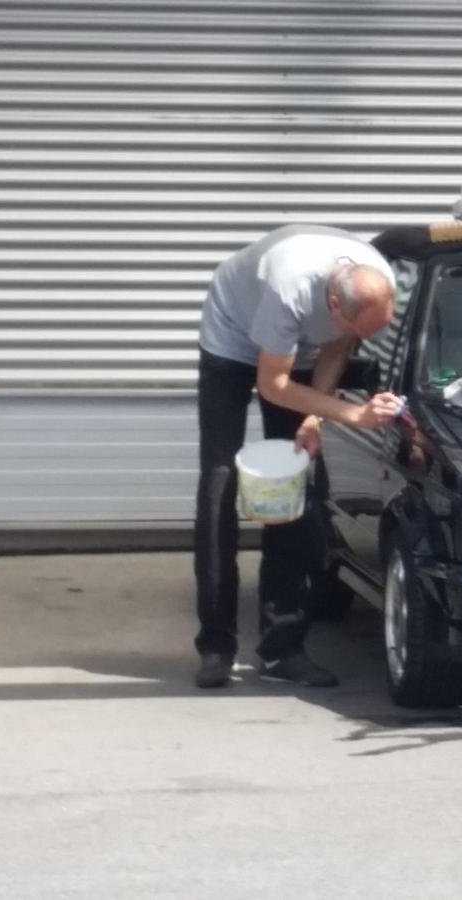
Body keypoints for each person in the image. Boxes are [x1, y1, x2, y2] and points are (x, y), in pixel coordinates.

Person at [192, 224, 404, 690]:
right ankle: (216, 646)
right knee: (220, 483)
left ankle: (281, 649)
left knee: (293, 483)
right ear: (334, 305)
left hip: (299, 345)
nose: (364, 338)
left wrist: (316, 418)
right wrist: (353, 414)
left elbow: (339, 344)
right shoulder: (290, 287)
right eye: (358, 329)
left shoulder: (376, 280)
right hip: (232, 337)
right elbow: (274, 385)